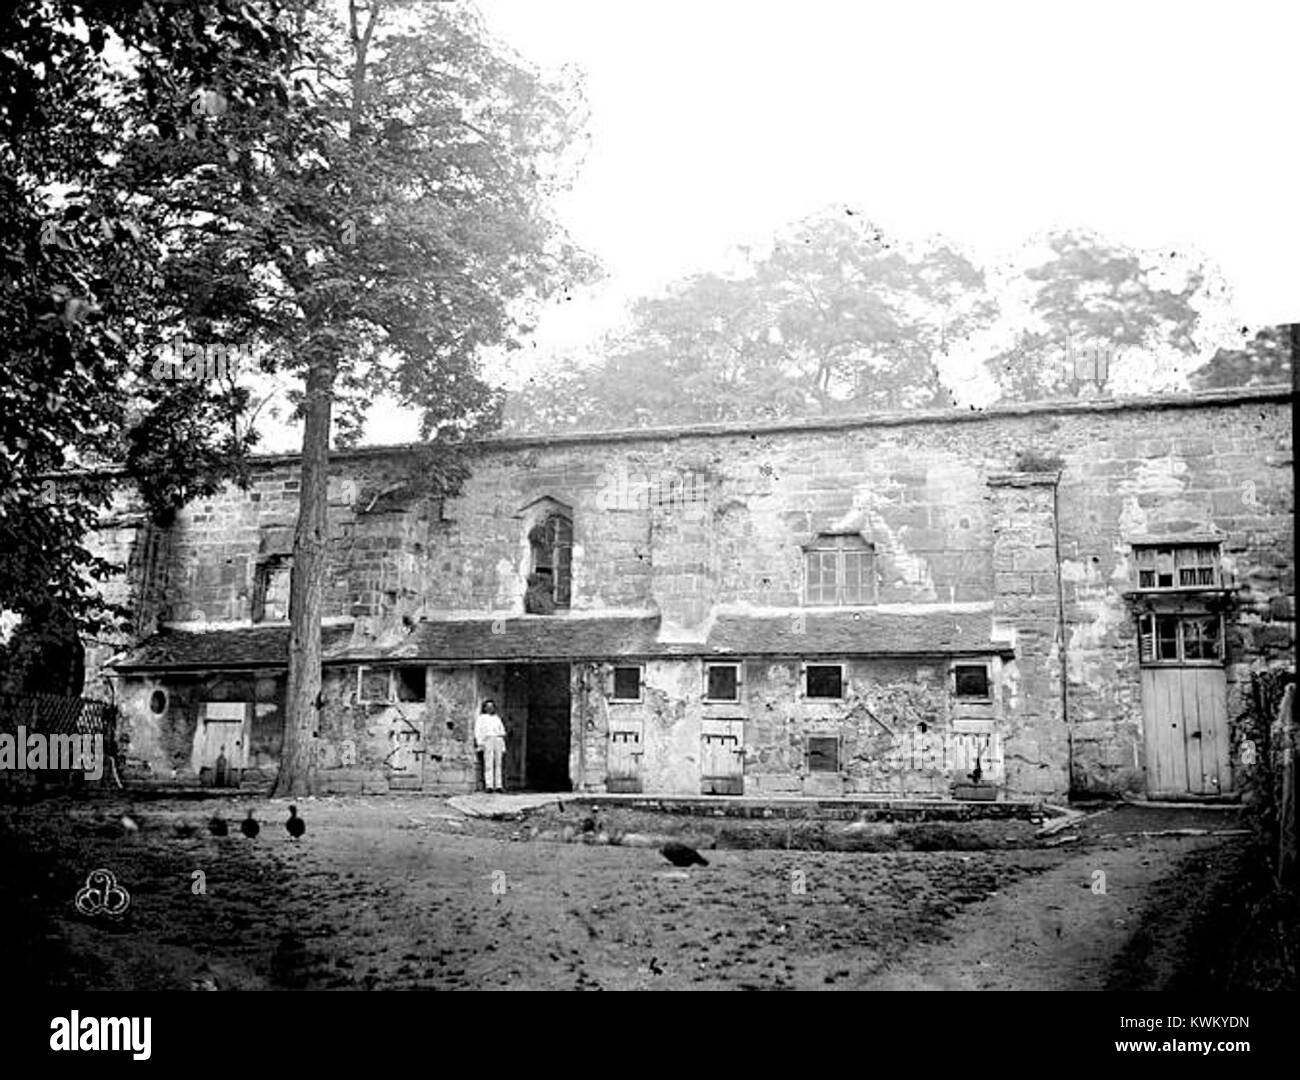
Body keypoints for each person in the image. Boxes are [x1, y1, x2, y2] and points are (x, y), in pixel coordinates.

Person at [474, 699, 507, 793]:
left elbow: (502, 731)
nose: (490, 708)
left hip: (498, 739)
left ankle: (499, 785)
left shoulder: (497, 718)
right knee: (488, 763)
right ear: (484, 708)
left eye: (491, 707)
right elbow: (478, 731)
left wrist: (502, 744)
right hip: (488, 739)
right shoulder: (481, 718)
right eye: (487, 707)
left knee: (498, 763)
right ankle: (489, 785)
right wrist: (480, 743)